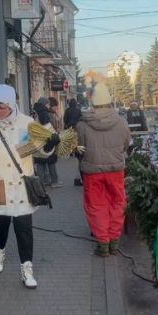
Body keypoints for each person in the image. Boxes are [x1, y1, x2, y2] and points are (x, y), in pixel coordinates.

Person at [0, 85, 58, 289]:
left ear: (11, 105)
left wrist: (48, 145)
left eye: (1, 107)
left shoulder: (27, 123)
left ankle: (27, 268)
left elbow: (36, 152)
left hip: (21, 186)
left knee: (24, 229)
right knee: (0, 226)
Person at [75, 83, 132, 256]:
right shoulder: (121, 122)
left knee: (96, 206)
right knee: (117, 203)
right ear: (110, 102)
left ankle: (103, 244)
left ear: (93, 103)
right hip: (116, 170)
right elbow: (125, 145)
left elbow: (79, 148)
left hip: (92, 171)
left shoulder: (82, 125)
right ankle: (114, 242)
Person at [64, 98, 85, 186]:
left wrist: (66, 125)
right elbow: (81, 118)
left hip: (69, 127)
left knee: (70, 140)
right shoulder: (78, 110)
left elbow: (64, 119)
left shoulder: (67, 110)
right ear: (75, 104)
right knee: (76, 140)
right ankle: (75, 150)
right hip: (76, 127)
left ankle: (70, 152)